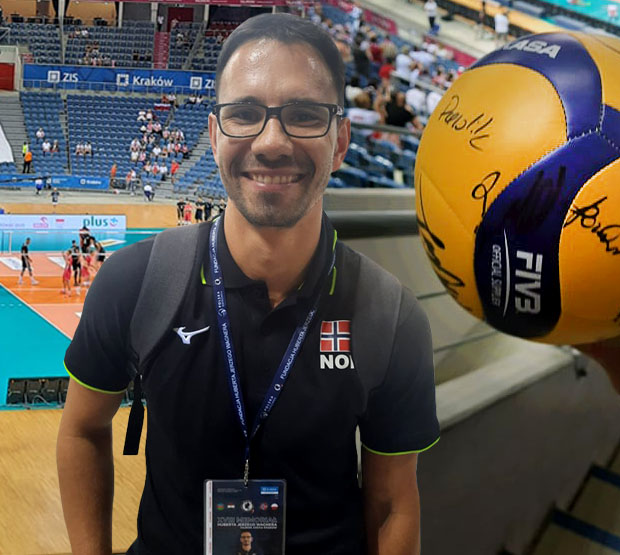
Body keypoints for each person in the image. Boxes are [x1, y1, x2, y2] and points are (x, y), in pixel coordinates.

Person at [58, 13, 438, 554]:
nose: (272, 142)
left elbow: (393, 501)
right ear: (215, 135)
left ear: (340, 141)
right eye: (244, 114)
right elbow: (81, 430)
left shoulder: (393, 318)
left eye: (304, 115)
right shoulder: (135, 281)